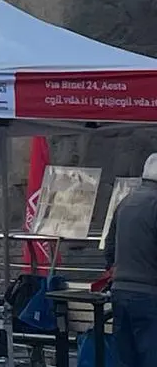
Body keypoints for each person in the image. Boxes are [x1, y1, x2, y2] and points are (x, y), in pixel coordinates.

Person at [106, 153, 157, 366]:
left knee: (126, 359)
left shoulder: (125, 202)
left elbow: (109, 250)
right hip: (150, 295)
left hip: (121, 291)